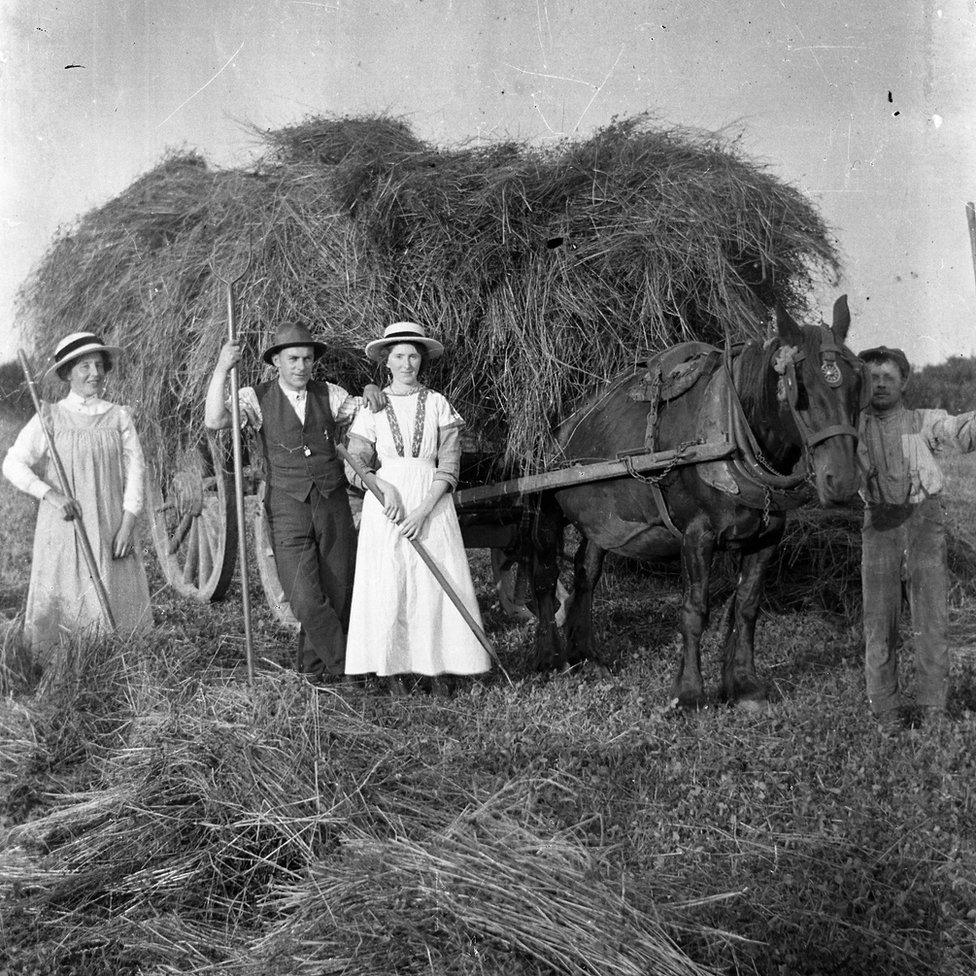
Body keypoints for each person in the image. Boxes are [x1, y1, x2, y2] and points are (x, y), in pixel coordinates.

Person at [204, 323, 382, 682]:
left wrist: (373, 388)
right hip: (287, 507)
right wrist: (223, 367)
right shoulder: (255, 397)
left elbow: (368, 411)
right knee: (303, 597)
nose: (301, 366)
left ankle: (314, 671)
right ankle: (350, 666)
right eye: (292, 359)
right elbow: (214, 419)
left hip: (332, 503)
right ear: (277, 362)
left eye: (307, 358)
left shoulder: (329, 394)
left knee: (338, 590)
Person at [343, 322, 491, 692]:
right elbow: (355, 462)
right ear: (386, 362)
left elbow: (449, 465)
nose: (407, 363)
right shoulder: (372, 407)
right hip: (386, 504)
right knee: (388, 582)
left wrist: (425, 508)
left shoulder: (439, 404)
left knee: (432, 583)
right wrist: (380, 486)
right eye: (399, 356)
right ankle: (391, 669)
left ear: (421, 361)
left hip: (431, 500)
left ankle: (436, 667)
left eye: (413, 356)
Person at [2, 331, 152, 658]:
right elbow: (13, 463)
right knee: (68, 597)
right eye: (84, 366)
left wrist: (128, 522)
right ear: (67, 373)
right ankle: (66, 666)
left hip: (111, 525)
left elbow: (136, 472)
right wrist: (51, 496)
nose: (94, 373)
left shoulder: (119, 416)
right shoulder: (49, 417)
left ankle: (114, 665)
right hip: (64, 527)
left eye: (98, 365)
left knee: (114, 597)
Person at [857, 344, 976, 732]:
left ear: (904, 382)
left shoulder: (923, 421)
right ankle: (887, 711)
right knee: (880, 622)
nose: (879, 385)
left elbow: (958, 429)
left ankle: (932, 707)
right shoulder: (854, 427)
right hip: (879, 526)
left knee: (932, 621)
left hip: (925, 524)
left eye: (888, 377)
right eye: (872, 378)